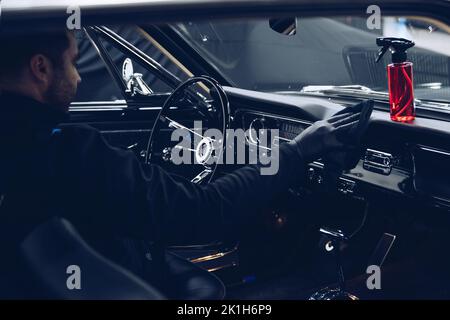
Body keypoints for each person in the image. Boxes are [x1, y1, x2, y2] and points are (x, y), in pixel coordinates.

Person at [0, 29, 361, 298]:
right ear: (40, 68)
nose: (78, 78)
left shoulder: (25, 142)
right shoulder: (66, 149)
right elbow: (202, 212)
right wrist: (296, 152)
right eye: (74, 63)